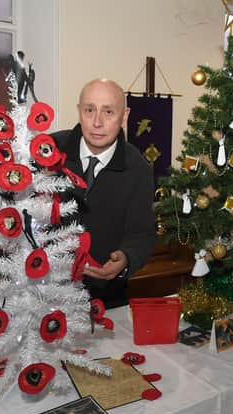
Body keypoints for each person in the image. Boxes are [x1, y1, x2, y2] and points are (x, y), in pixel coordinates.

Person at [52, 79, 155, 308]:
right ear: (79, 111)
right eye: (90, 110)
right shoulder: (48, 150)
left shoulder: (139, 168)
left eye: (108, 112)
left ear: (125, 116)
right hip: (42, 292)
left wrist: (126, 259)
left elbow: (143, 234)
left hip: (105, 299)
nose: (97, 122)